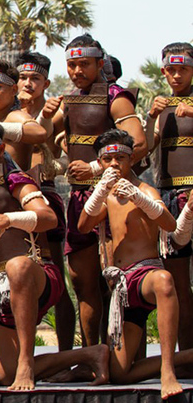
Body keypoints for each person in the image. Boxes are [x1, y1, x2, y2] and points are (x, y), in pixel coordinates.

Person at [0, 121, 109, 390]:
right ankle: (90, 354)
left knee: (18, 266)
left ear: (1, 149)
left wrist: (10, 219)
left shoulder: (18, 180)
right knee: (4, 376)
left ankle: (26, 363)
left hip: (38, 275)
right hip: (7, 287)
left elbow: (48, 218)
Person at [43, 34, 146, 347]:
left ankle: (126, 357)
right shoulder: (69, 100)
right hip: (79, 199)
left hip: (115, 197)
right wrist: (45, 116)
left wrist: (96, 168)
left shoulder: (116, 97)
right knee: (83, 283)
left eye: (84, 64)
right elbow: (42, 137)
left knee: (120, 279)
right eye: (72, 64)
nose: (77, 70)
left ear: (100, 64)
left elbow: (139, 144)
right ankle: (92, 355)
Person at [78, 129, 192, 399]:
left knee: (164, 281)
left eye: (120, 158)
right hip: (123, 286)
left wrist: (138, 198)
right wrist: (100, 190)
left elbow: (169, 224)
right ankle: (188, 357)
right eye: (108, 159)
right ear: (100, 163)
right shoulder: (105, 195)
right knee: (119, 374)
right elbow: (83, 226)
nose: (114, 164)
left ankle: (168, 371)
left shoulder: (145, 190)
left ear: (131, 159)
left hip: (146, 275)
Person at [15, 52, 76, 351]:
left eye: (35, 78)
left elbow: (71, 152)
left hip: (45, 197)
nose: (28, 83)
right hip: (11, 201)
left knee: (57, 278)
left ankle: (65, 354)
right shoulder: (7, 113)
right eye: (22, 77)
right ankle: (18, 353)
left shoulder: (58, 113)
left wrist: (56, 165)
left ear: (46, 83)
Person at [144, 42, 193, 350]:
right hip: (170, 199)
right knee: (177, 284)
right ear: (163, 72)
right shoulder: (162, 109)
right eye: (171, 70)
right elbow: (144, 148)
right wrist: (150, 117)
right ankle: (186, 357)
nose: (176, 75)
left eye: (183, 69)